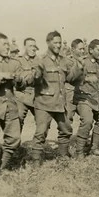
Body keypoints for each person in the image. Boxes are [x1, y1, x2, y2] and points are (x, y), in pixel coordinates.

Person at [0, 33, 33, 174]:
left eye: (8, 44)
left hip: (10, 105)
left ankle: (3, 168)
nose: (7, 47)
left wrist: (20, 80)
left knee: (14, 139)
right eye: (4, 44)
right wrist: (0, 77)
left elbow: (21, 86)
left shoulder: (14, 63)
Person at [30, 31, 83, 163]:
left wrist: (79, 67)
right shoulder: (41, 60)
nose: (58, 45)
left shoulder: (64, 60)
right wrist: (36, 75)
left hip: (60, 102)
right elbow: (33, 80)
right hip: (44, 103)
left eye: (60, 42)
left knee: (66, 129)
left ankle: (63, 155)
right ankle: (36, 160)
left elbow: (70, 78)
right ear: (48, 43)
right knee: (41, 132)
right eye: (55, 43)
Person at [73, 39, 99, 157]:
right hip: (83, 98)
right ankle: (79, 151)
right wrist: (86, 79)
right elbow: (74, 78)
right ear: (90, 50)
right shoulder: (83, 63)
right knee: (88, 120)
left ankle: (93, 147)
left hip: (97, 98)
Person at [15, 37, 38, 132]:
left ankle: (37, 145)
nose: (33, 48)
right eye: (30, 46)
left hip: (36, 96)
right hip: (22, 95)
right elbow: (19, 81)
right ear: (25, 47)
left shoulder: (40, 61)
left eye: (34, 46)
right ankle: (14, 145)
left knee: (43, 121)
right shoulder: (18, 61)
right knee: (18, 119)